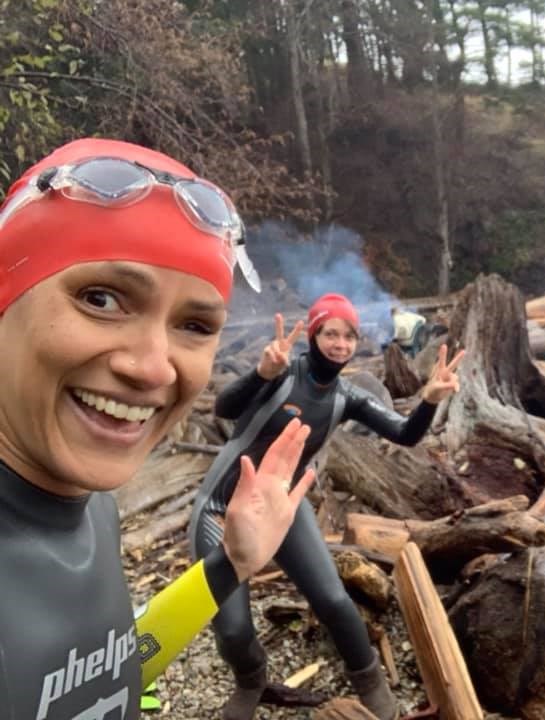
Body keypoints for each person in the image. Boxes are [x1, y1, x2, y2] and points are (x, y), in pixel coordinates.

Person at [0, 138, 318, 719]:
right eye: (101, 299)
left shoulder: (93, 506)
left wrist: (230, 565)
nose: (152, 367)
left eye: (194, 325)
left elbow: (102, 669)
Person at [188, 293, 465, 720]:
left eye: (349, 336)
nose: (339, 343)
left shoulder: (346, 397)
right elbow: (225, 408)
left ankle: (368, 678)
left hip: (284, 507)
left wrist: (429, 399)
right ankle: (250, 680)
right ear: (313, 335)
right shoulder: (280, 373)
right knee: (232, 626)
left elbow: (406, 433)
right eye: (330, 333)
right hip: (222, 507)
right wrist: (261, 373)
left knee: (334, 600)